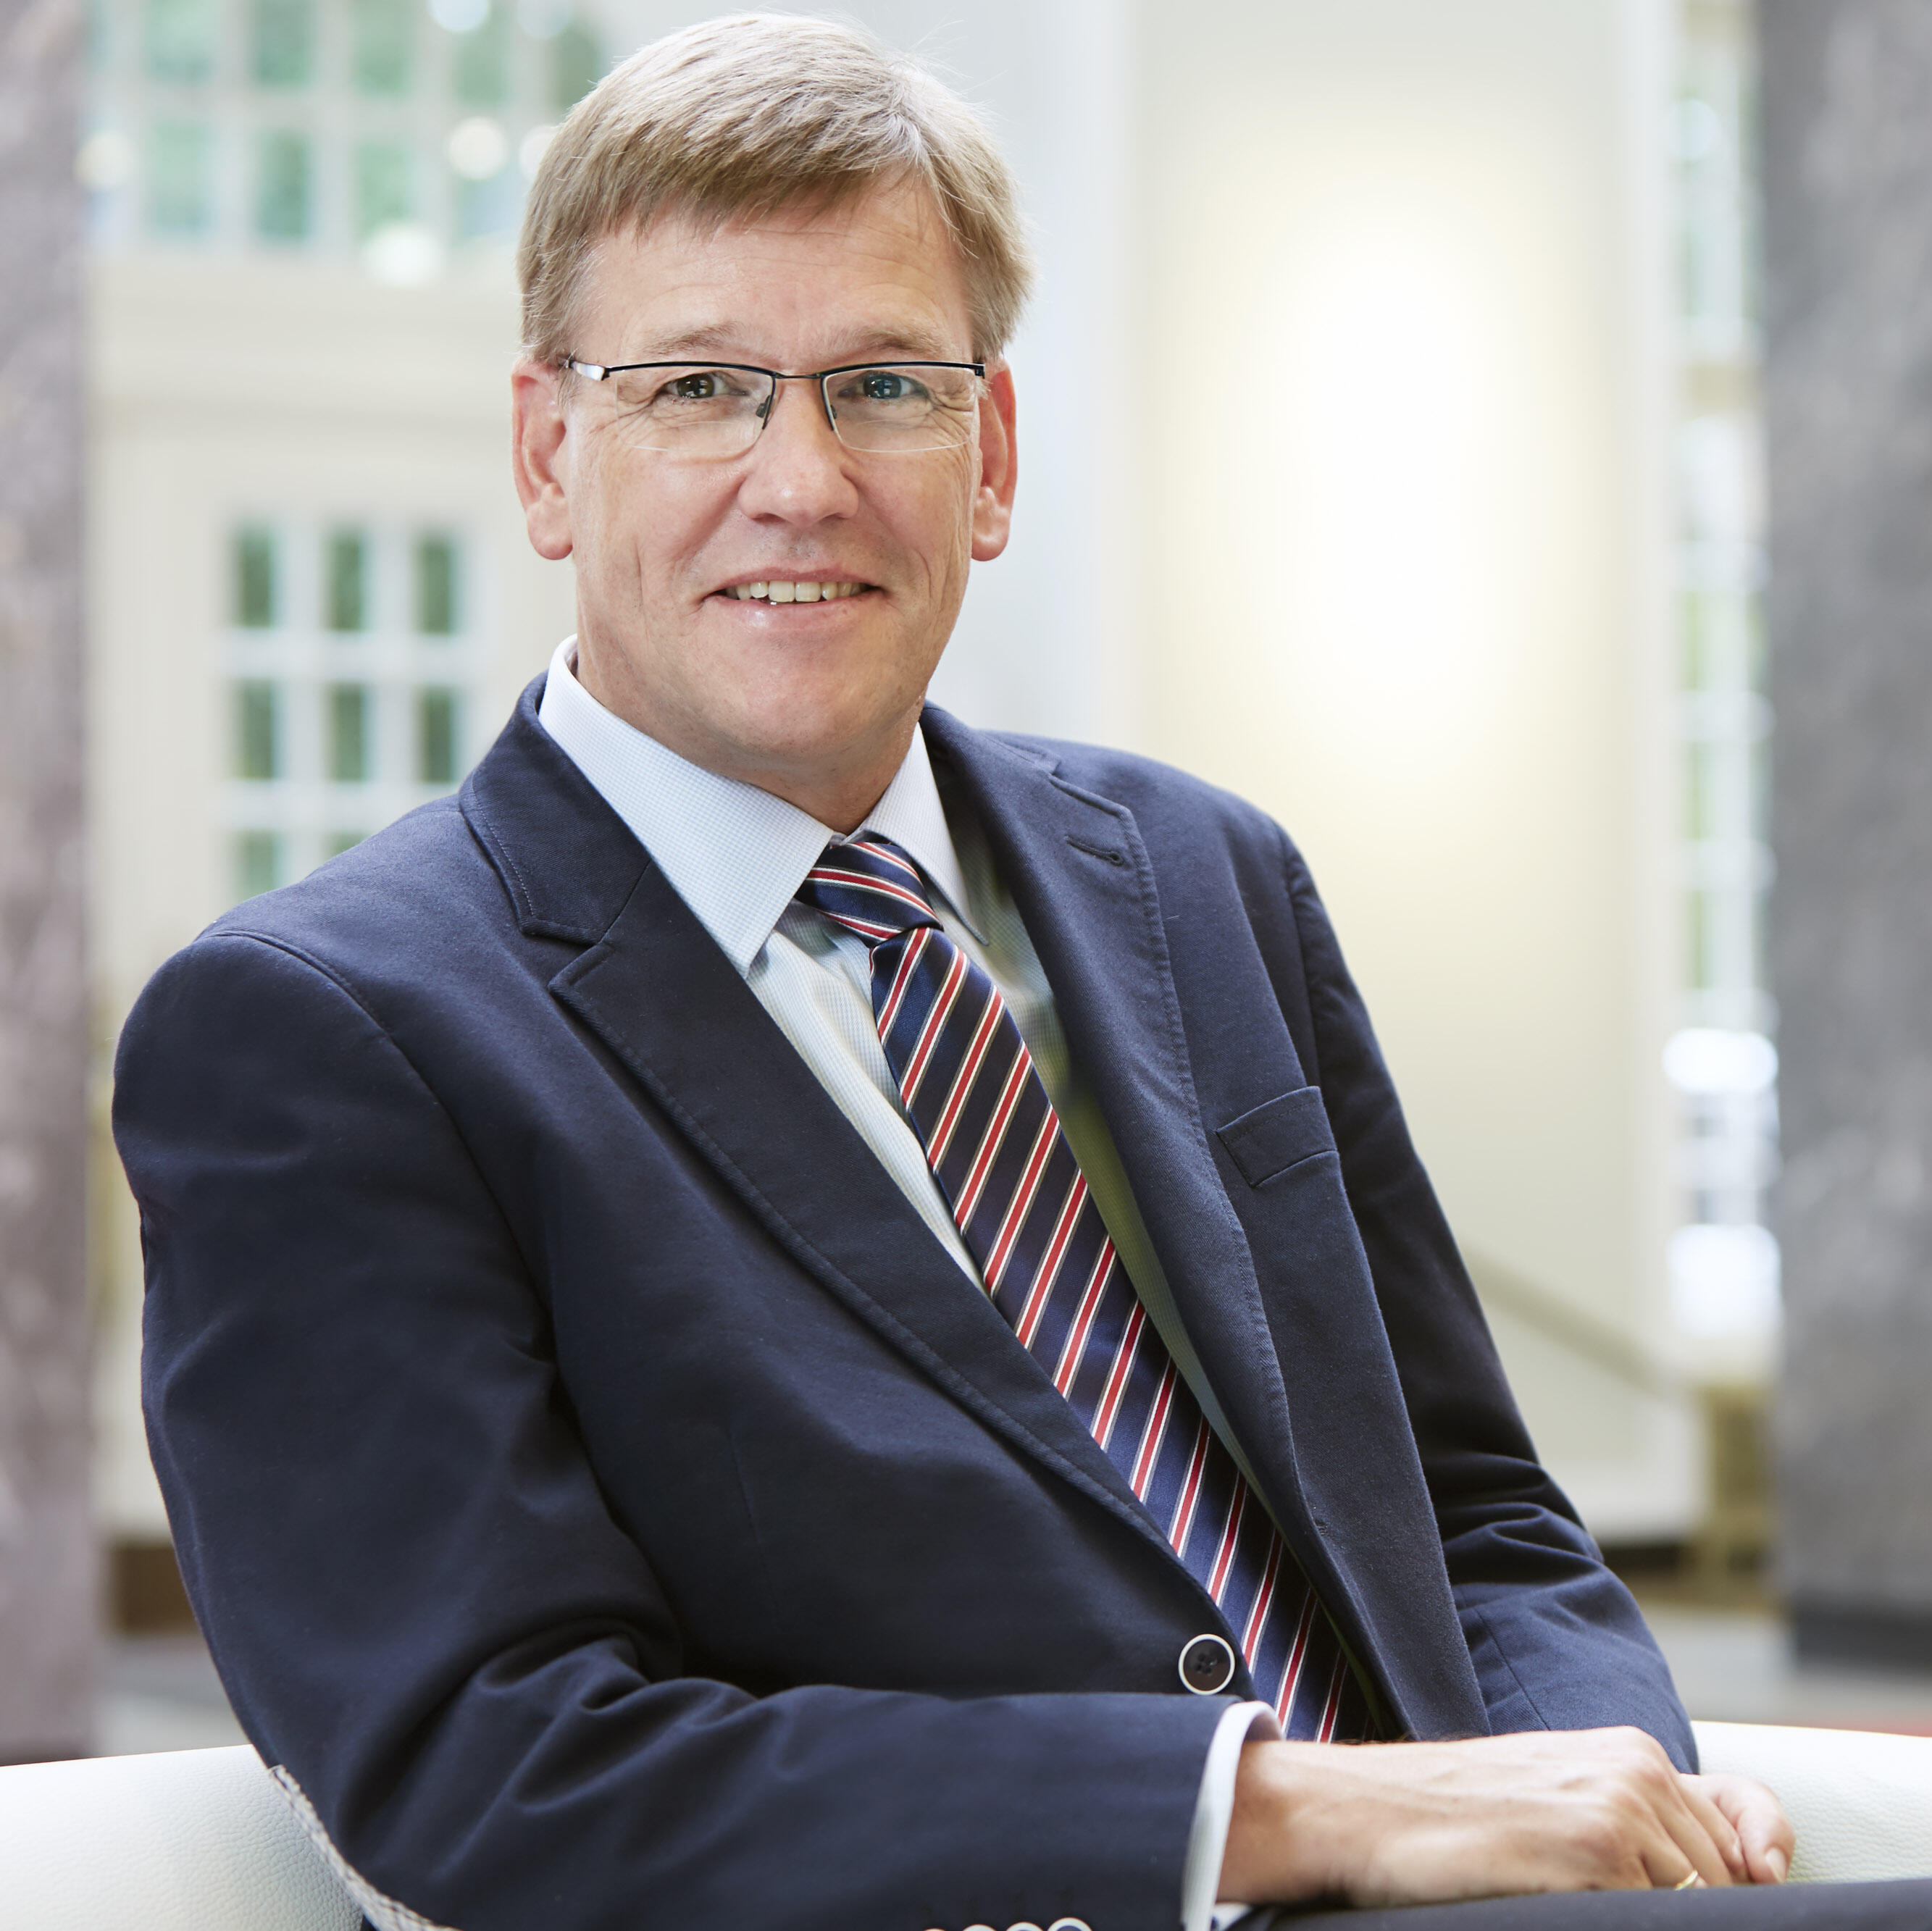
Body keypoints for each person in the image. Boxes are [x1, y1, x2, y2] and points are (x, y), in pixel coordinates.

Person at [112, 15, 1928, 1931]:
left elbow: (1469, 1507)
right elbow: (500, 1767)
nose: (800, 477)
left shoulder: (1204, 875)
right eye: (700, 387)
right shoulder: (323, 1032)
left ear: (987, 456)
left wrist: (1596, 1813)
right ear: (549, 453)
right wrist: (1284, 1814)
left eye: (883, 385)